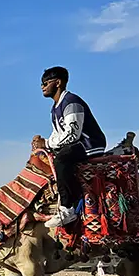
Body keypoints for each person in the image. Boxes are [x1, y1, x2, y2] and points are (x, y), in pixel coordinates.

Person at [33, 66, 107, 228]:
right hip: (77, 143)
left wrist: (46, 144)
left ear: (58, 83)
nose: (42, 86)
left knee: (62, 159)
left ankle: (67, 209)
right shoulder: (55, 108)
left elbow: (72, 134)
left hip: (90, 144)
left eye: (45, 82)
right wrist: (44, 143)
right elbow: (58, 134)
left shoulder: (71, 102)